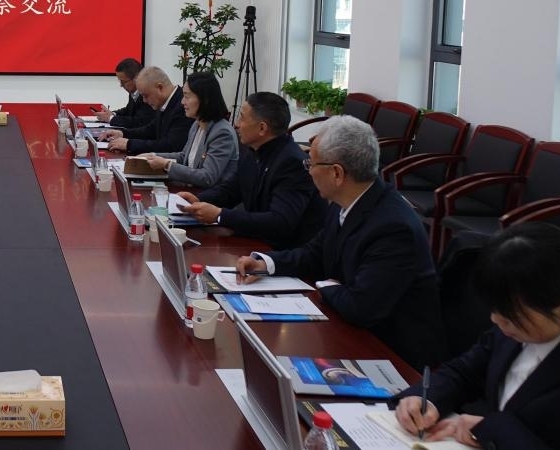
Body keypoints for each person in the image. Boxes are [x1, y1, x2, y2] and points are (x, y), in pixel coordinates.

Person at [392, 222, 560, 449]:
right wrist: (427, 399)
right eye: (494, 309)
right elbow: (466, 371)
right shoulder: (522, 325)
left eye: (508, 316)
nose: (495, 320)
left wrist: (492, 429)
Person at [235, 115, 445, 370]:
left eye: (311, 163)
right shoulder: (346, 202)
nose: (309, 171)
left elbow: (361, 307)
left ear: (337, 173)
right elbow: (315, 253)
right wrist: (267, 264)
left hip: (392, 357)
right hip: (351, 330)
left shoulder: (393, 227)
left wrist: (324, 285)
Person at [177, 92, 325, 249]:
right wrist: (198, 199)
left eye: (242, 118)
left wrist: (221, 215)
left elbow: (280, 222)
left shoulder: (292, 163)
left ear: (262, 128)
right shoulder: (253, 150)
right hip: (255, 241)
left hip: (283, 252)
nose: (236, 124)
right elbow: (231, 190)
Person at [134, 73, 238, 189]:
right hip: (190, 190)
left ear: (205, 99)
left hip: (208, 197)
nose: (182, 102)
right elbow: (184, 157)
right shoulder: (196, 125)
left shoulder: (222, 133)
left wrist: (167, 165)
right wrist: (153, 156)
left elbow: (207, 177)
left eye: (187, 96)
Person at [100, 66, 194, 154]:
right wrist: (123, 133)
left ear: (160, 88)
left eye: (146, 95)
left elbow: (170, 146)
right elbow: (150, 130)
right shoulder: (165, 102)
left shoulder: (183, 107)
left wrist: (129, 144)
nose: (144, 101)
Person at [92, 57, 156, 129]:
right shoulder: (134, 92)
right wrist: (112, 114)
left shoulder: (148, 95)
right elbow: (128, 110)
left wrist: (110, 118)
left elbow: (139, 122)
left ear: (136, 78)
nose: (121, 85)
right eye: (120, 81)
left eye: (123, 82)